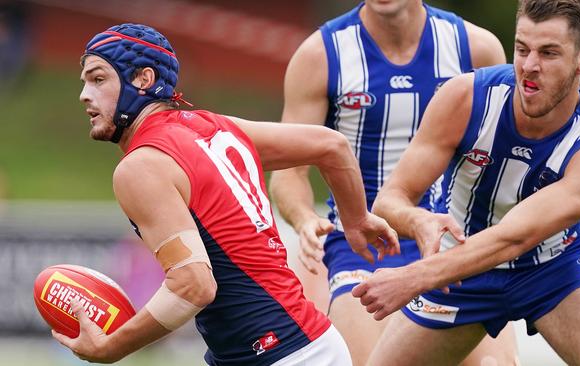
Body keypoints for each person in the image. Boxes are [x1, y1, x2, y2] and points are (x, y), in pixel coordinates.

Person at [51, 23, 399, 366]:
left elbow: (193, 286)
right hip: (299, 344)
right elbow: (331, 146)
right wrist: (357, 220)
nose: (84, 94)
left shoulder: (141, 166)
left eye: (98, 79)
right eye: (85, 82)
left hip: (280, 353)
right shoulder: (215, 126)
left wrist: (113, 346)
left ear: (144, 80)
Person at [353, 0, 580, 364]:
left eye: (549, 53)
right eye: (522, 49)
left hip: (553, 268)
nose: (530, 66)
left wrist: (413, 277)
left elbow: (515, 237)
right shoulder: (464, 97)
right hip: (459, 273)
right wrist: (419, 220)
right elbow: (390, 199)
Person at [269, 0, 517, 364]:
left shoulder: (476, 47)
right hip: (364, 251)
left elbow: (502, 156)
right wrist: (305, 219)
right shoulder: (320, 55)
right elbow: (289, 174)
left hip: (457, 245)